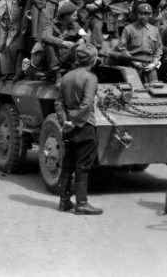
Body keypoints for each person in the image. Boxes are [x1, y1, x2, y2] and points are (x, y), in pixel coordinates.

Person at [55, 43, 104, 215]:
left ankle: (64, 202)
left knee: (67, 164)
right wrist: (75, 122)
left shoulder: (66, 76)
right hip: (85, 125)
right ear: (93, 60)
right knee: (83, 166)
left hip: (68, 125)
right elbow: (87, 104)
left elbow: (59, 102)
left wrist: (65, 122)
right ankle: (81, 204)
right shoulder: (90, 78)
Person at [115, 3, 163, 83]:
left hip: (150, 64)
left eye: (146, 14)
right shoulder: (129, 29)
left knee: (155, 88)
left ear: (150, 14)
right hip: (133, 63)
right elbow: (122, 48)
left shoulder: (154, 30)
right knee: (134, 88)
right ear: (137, 14)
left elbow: (158, 50)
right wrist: (135, 62)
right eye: (141, 13)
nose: (143, 16)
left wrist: (154, 64)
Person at [41, 1, 83, 83]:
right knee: (48, 46)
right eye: (74, 15)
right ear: (67, 16)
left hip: (67, 56)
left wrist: (83, 39)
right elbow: (45, 36)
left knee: (79, 46)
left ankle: (73, 72)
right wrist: (63, 42)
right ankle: (57, 74)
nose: (76, 17)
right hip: (54, 57)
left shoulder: (75, 25)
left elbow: (86, 35)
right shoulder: (51, 24)